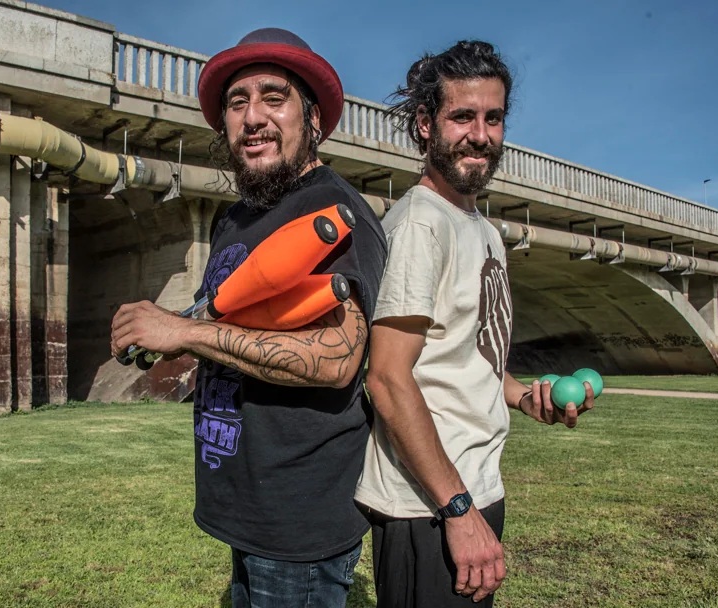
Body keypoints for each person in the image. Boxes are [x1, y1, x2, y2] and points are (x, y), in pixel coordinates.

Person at [110, 28, 387, 608]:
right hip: (243, 500)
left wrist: (185, 332)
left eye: (274, 97)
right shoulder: (234, 219)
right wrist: (174, 337)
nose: (253, 116)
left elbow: (339, 360)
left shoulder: (331, 209)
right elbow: (235, 322)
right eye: (238, 103)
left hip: (298, 518)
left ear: (313, 119)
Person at [354, 40, 594, 607]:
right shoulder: (419, 224)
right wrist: (457, 509)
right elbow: (387, 378)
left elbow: (469, 354)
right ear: (424, 124)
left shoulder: (481, 228)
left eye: (494, 118)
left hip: (474, 482)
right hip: (429, 502)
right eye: (462, 116)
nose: (480, 135)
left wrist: (519, 397)